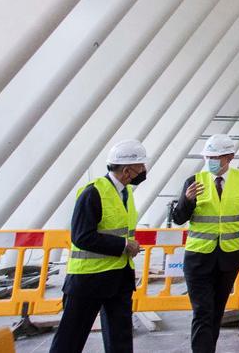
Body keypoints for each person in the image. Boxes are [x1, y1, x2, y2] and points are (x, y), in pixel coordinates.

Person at [50, 139, 148, 353]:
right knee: (70, 340)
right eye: (141, 166)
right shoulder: (93, 193)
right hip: (89, 280)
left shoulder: (126, 193)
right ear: (127, 170)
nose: (144, 170)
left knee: (120, 340)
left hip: (119, 278)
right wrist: (123, 245)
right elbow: (82, 236)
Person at [172, 134, 239, 353]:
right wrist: (187, 200)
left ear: (229, 157)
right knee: (202, 312)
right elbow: (178, 218)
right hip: (198, 258)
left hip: (228, 259)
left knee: (216, 313)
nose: (210, 161)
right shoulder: (194, 181)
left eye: (215, 157)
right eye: (208, 156)